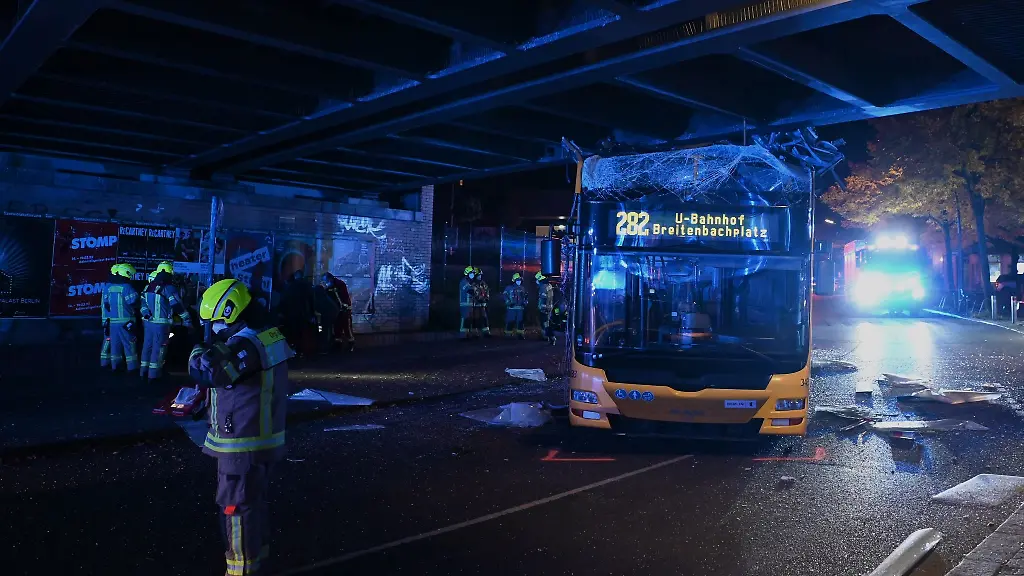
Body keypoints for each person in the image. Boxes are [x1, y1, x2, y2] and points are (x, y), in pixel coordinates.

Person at [189, 279, 294, 576]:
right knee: (253, 504)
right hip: (261, 438)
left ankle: (241, 570)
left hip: (241, 442)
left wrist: (197, 350)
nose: (213, 330)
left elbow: (212, 372)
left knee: (235, 509)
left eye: (214, 323)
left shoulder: (244, 344)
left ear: (230, 314)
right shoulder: (267, 335)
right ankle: (257, 561)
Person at [139, 261, 191, 382]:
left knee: (147, 346)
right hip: (161, 325)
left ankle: (143, 372)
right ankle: (154, 375)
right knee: (159, 349)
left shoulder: (148, 287)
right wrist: (187, 319)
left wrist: (147, 315)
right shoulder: (169, 288)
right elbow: (177, 305)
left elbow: (142, 305)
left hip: (148, 323)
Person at [101, 263, 140, 371]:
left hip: (112, 322)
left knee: (115, 346)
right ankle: (132, 368)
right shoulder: (127, 287)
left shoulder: (108, 287)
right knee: (130, 345)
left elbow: (106, 305)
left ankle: (115, 367)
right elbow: (133, 302)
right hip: (126, 322)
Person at [279, 270, 317, 358]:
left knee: (292, 332)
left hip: (291, 314)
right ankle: (301, 351)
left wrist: (282, 312)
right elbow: (312, 300)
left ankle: (292, 349)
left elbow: (284, 299)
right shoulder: (307, 285)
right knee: (302, 332)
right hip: (304, 313)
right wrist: (312, 313)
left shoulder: (289, 286)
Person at [321, 272, 356, 352]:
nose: (325, 283)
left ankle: (351, 344)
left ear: (330, 279)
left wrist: (345, 307)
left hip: (344, 310)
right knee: (337, 327)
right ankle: (338, 344)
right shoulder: (329, 287)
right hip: (336, 311)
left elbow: (344, 297)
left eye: (325, 281)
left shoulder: (340, 284)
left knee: (347, 328)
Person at [503, 272, 528, 338]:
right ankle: (508, 334)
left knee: (520, 322)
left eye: (520, 280)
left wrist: (525, 302)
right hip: (511, 308)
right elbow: (505, 296)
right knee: (510, 321)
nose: (519, 281)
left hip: (520, 308)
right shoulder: (508, 288)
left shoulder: (523, 288)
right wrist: (508, 302)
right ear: (514, 280)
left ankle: (520, 334)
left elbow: (525, 297)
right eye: (517, 280)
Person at [536, 271, 556, 345]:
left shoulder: (543, 287)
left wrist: (541, 307)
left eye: (537, 280)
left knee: (545, 324)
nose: (536, 281)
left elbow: (543, 299)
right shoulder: (549, 286)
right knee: (547, 324)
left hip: (544, 309)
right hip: (548, 308)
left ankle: (551, 338)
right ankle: (548, 337)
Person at [471, 267, 491, 337]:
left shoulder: (483, 283)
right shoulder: (472, 284)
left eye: (480, 275)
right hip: (475, 305)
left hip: (483, 305)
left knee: (484, 318)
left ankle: (486, 332)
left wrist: (486, 298)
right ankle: (474, 333)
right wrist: (478, 299)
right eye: (479, 275)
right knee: (475, 319)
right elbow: (473, 294)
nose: (480, 276)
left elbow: (487, 291)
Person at [458, 266, 476, 339]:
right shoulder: (463, 282)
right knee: (464, 319)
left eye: (473, 273)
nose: (473, 275)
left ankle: (469, 334)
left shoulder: (471, 282)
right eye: (471, 273)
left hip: (471, 304)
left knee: (470, 319)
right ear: (467, 273)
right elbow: (469, 291)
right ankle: (463, 335)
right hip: (464, 304)